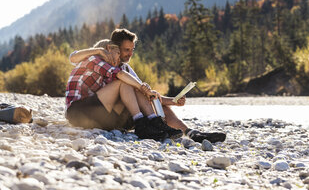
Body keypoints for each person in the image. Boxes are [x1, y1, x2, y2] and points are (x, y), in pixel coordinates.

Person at [69, 29, 226, 143]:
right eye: (125, 50)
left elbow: (144, 94)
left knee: (149, 96)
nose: (130, 54)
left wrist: (172, 100)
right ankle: (145, 124)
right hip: (83, 111)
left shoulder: (123, 68)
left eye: (132, 50)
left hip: (106, 116)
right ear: (110, 49)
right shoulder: (97, 60)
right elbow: (73, 57)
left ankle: (191, 133)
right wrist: (142, 87)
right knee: (128, 84)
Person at [65, 39, 183, 140]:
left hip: (95, 115)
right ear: (108, 49)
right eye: (117, 53)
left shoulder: (105, 74)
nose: (119, 58)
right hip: (77, 111)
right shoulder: (94, 59)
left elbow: (130, 92)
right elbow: (120, 75)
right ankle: (141, 124)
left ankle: (154, 122)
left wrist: (145, 90)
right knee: (124, 81)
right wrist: (142, 87)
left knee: (131, 85)